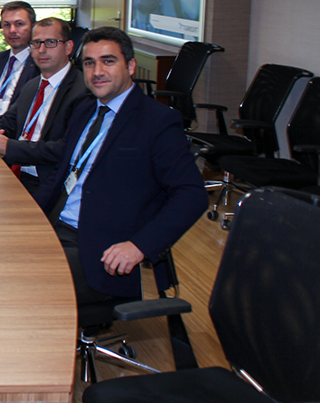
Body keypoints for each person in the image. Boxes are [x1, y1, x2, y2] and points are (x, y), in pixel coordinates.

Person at [33, 27, 207, 307]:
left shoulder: (157, 121)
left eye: (108, 61)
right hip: (55, 225)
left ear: (131, 66)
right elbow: (62, 173)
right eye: (89, 63)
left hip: (100, 249)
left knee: (21, 282)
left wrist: (139, 246)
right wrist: (26, 215)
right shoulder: (85, 109)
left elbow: (192, 194)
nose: (97, 72)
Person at [0, 17, 89, 193]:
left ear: (68, 47)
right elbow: (7, 122)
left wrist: (9, 147)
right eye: (36, 43)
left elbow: (65, 149)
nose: (42, 50)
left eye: (51, 42)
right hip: (13, 172)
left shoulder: (82, 91)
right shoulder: (32, 85)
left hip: (47, 182)